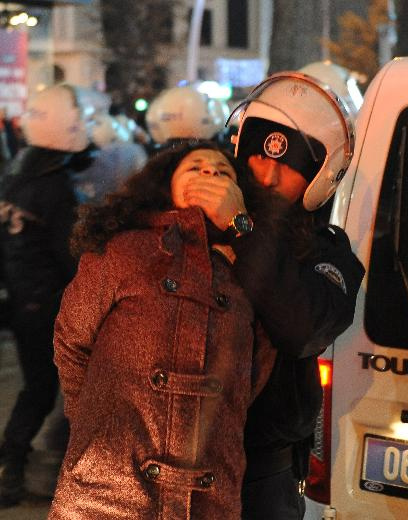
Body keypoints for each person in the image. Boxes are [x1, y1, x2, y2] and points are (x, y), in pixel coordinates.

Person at [48, 141, 276, 520]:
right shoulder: (123, 249)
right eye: (195, 168)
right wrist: (91, 420)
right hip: (106, 491)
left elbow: (255, 372)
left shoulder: (250, 268)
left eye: (223, 172)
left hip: (208, 495)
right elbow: (72, 339)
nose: (209, 174)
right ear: (165, 186)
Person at [182, 72, 365, 519]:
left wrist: (242, 230)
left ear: (322, 178)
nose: (265, 175)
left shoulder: (330, 254)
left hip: (261, 472)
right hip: (172, 457)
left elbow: (301, 327)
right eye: (257, 157)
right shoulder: (197, 225)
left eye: (288, 165)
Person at [0, 83, 95, 507]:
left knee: (38, 386)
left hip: (21, 299)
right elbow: (69, 254)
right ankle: (12, 466)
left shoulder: (15, 176)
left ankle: (17, 461)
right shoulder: (54, 186)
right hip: (47, 304)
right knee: (43, 388)